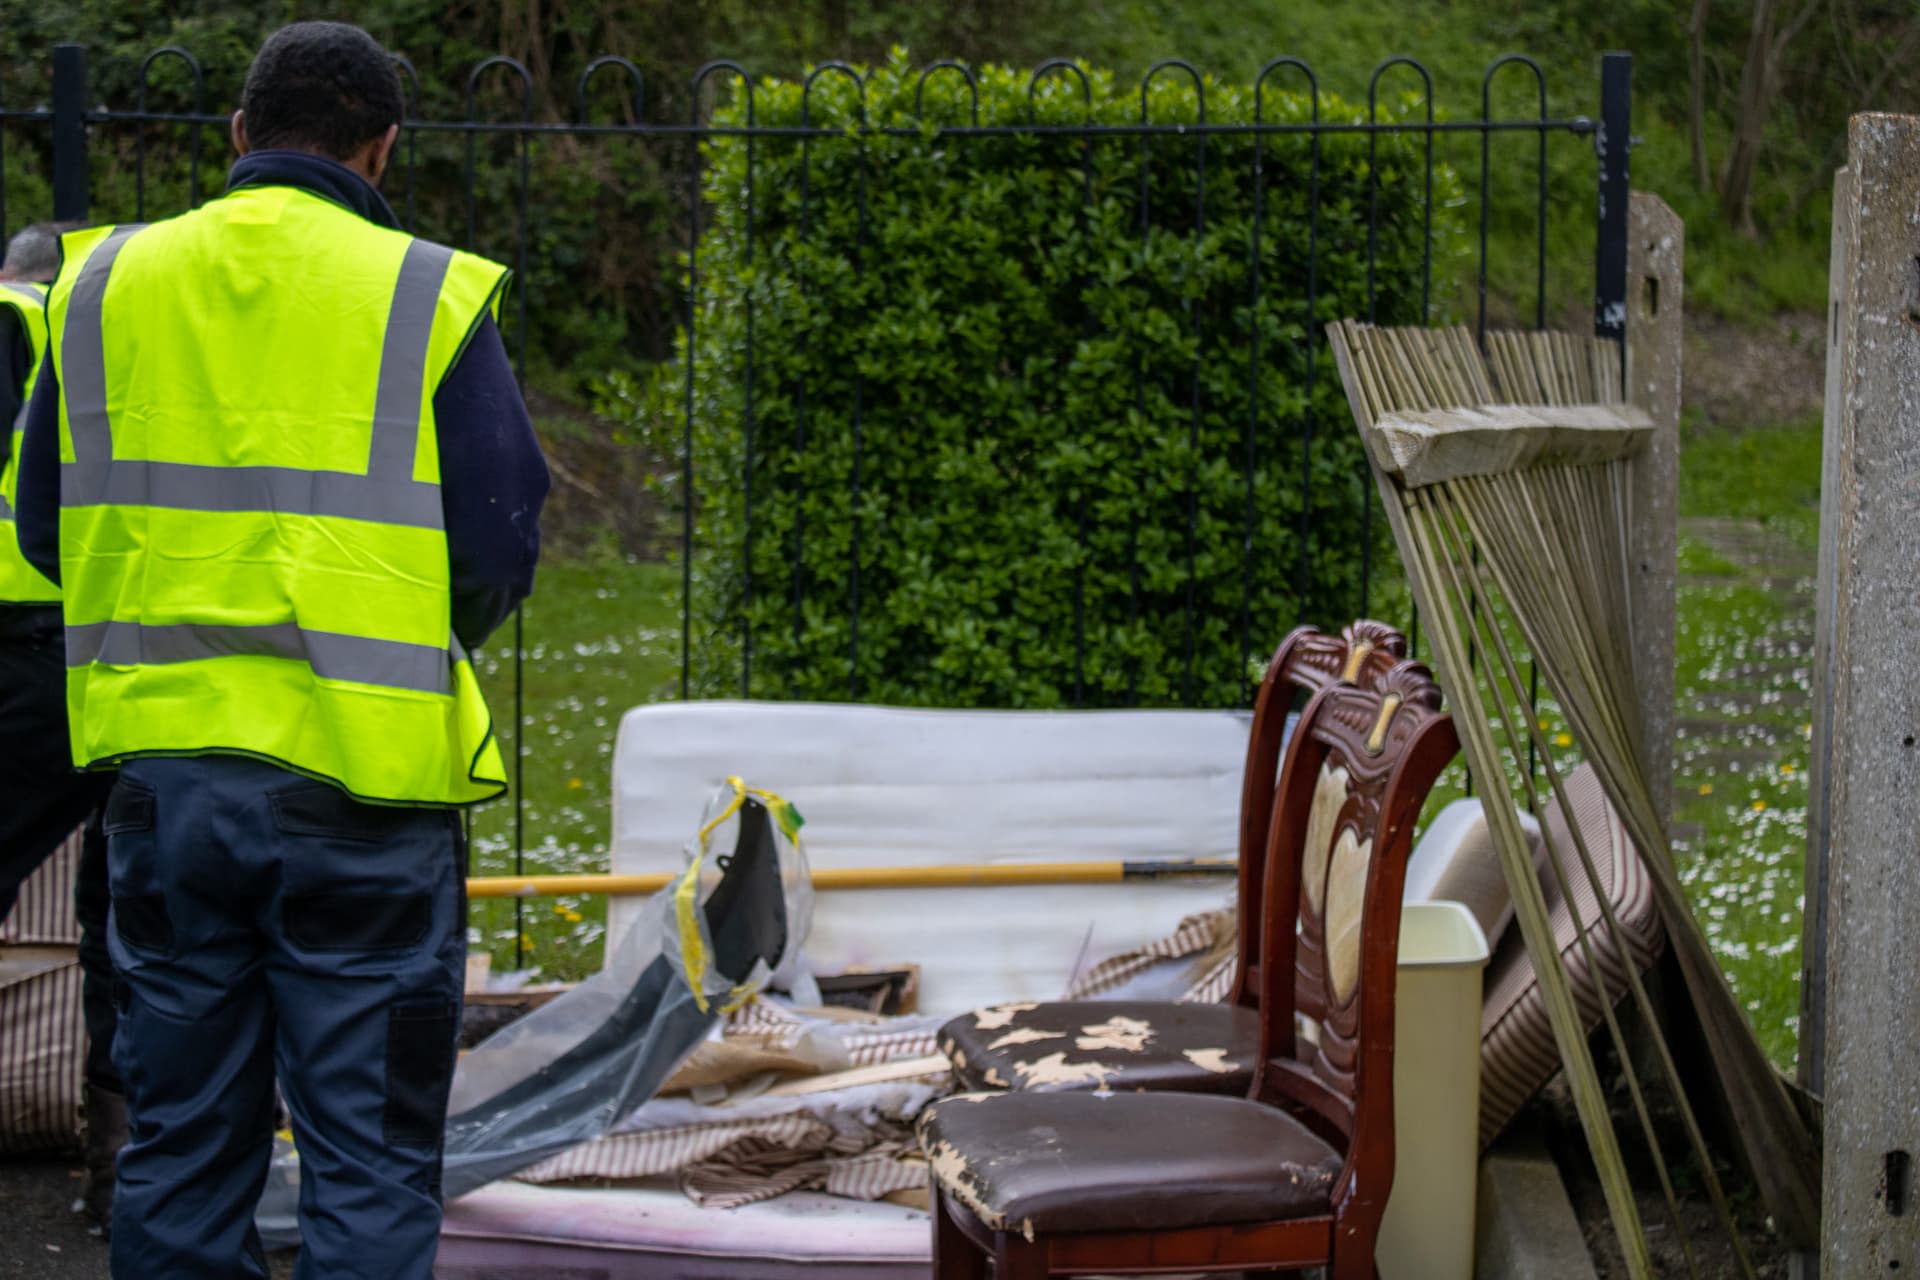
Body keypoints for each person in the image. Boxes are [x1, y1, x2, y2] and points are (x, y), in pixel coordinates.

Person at [14, 20, 549, 1278]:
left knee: (185, 1147)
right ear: (384, 149)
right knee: (363, 1157)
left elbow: (44, 523)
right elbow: (496, 538)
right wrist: (383, 638)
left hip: (169, 787)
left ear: (239, 136)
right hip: (361, 789)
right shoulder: (424, 290)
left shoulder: (97, 285)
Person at [0, 219, 124, 1233]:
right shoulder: (110, 335)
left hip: (17, 645)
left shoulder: (9, 316)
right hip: (119, 649)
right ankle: (120, 1175)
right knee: (125, 916)